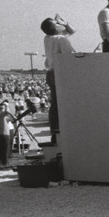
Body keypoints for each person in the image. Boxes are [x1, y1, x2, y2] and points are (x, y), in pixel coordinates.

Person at [41, 14, 76, 145]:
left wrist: (64, 23)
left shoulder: (48, 38)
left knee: (55, 104)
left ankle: (55, 133)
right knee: (64, 103)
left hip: (50, 73)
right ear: (55, 28)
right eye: (57, 24)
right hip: (60, 73)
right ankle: (63, 131)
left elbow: (72, 31)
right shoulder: (61, 39)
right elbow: (70, 55)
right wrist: (64, 24)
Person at [0, 102, 16, 167]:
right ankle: (5, 163)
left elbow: (8, 118)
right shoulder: (0, 115)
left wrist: (13, 117)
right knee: (5, 149)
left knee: (0, 149)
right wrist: (6, 105)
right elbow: (7, 112)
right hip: (4, 134)